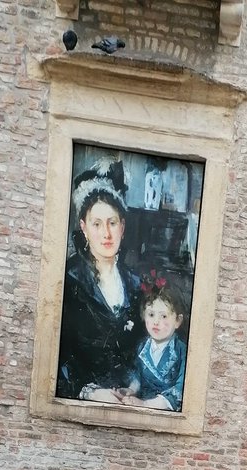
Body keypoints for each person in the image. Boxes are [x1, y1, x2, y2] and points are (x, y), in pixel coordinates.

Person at [56, 160, 143, 402]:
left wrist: (135, 384)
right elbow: (57, 355)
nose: (106, 234)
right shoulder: (69, 279)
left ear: (122, 227)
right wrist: (88, 392)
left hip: (126, 399)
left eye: (112, 223)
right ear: (84, 228)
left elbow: (140, 350)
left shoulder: (135, 284)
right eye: (97, 224)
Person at [118, 276, 188, 413]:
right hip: (139, 405)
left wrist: (145, 404)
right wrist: (132, 389)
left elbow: (179, 391)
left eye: (163, 316)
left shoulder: (182, 351)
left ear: (178, 321)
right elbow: (138, 375)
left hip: (164, 411)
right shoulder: (143, 346)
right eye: (151, 315)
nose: (156, 322)